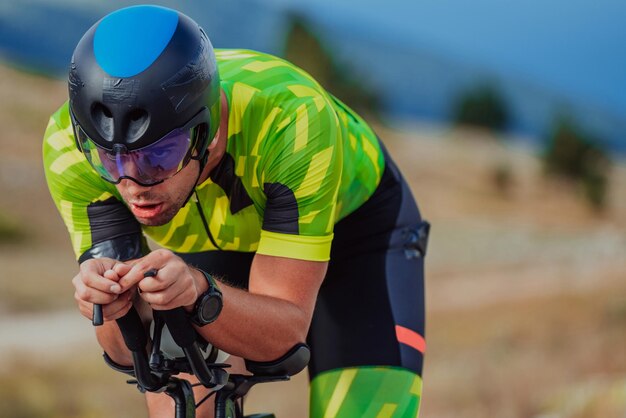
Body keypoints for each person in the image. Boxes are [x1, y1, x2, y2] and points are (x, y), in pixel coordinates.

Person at [43, 5, 429, 417]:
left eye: (158, 156)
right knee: (185, 407)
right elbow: (129, 354)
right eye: (109, 160)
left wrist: (200, 294)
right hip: (222, 241)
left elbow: (284, 336)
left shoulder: (291, 119)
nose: (131, 184)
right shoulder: (69, 149)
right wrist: (108, 308)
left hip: (359, 233)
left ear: (205, 131)